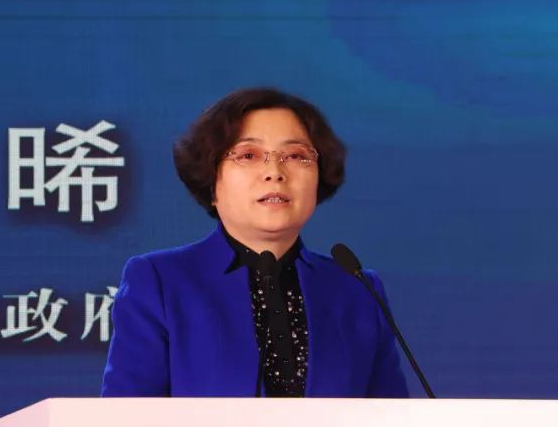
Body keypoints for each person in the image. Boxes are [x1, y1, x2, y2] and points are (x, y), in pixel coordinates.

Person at [101, 87, 409, 398]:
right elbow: (124, 419)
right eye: (248, 155)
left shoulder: (358, 290)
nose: (275, 172)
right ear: (211, 179)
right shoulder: (161, 282)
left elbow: (394, 421)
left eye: (296, 156)